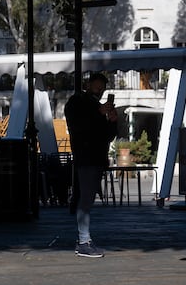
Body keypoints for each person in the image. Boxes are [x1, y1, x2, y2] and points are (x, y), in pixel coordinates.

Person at [64, 73, 118, 258]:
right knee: (85, 199)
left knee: (87, 198)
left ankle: (84, 239)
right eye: (96, 88)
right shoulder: (77, 102)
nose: (99, 92)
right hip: (85, 156)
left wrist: (112, 120)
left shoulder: (96, 105)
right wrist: (99, 114)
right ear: (88, 85)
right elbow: (78, 126)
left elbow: (107, 135)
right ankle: (83, 240)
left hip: (96, 157)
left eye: (102, 89)